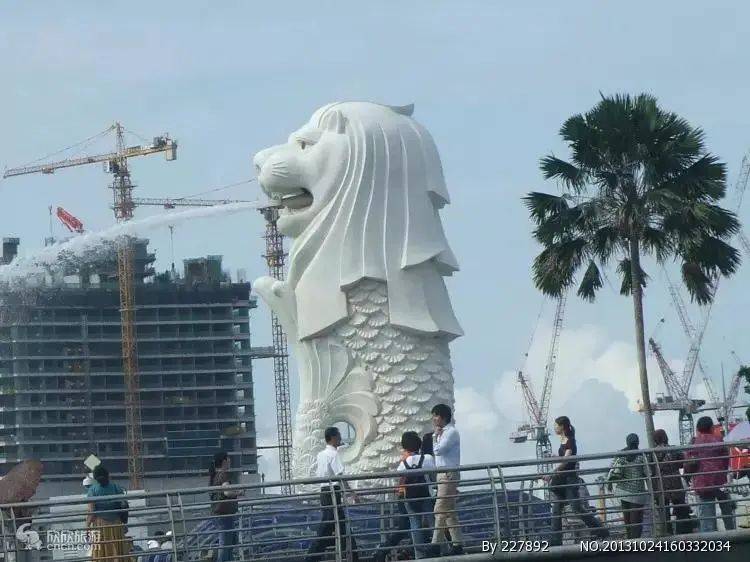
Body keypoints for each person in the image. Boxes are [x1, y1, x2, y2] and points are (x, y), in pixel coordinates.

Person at [547, 416, 608, 546]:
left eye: (556, 425)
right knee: (557, 510)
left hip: (569, 480)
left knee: (576, 508)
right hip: (562, 480)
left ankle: (601, 531)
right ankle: (555, 541)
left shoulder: (570, 441)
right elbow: (565, 458)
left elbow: (567, 460)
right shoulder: (564, 440)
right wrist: (555, 456)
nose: (554, 428)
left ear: (562, 426)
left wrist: (551, 474)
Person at [305, 427, 359, 562]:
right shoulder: (334, 454)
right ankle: (312, 557)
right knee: (331, 526)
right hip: (333, 493)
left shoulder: (320, 455)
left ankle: (352, 555)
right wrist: (351, 493)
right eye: (339, 435)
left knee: (337, 526)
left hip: (324, 492)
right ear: (333, 437)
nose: (340, 438)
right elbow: (340, 476)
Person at [685, 416, 736, 532]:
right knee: (727, 510)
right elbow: (726, 460)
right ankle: (732, 533)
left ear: (698, 428)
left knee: (707, 517)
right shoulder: (718, 440)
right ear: (711, 427)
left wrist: (689, 476)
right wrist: (722, 473)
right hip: (720, 480)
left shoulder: (694, 442)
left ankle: (709, 538)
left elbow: (688, 464)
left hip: (703, 483)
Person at [396, 432, 440, 559]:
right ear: (419, 444)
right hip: (425, 495)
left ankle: (419, 555)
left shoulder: (403, 464)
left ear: (404, 446)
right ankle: (439, 548)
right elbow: (434, 477)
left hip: (410, 497)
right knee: (433, 522)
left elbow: (399, 478)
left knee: (415, 524)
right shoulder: (427, 459)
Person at [430, 404, 464, 555]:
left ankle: (435, 545)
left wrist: (434, 437)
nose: (434, 418)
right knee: (449, 511)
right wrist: (436, 436)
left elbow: (438, 450)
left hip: (448, 474)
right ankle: (457, 544)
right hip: (442, 474)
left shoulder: (451, 432)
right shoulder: (443, 433)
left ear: (443, 417)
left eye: (436, 415)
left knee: (439, 509)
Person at [606, 434, 648, 539]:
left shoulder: (621, 454)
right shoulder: (641, 455)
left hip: (623, 491)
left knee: (627, 519)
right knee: (636, 520)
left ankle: (629, 541)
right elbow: (648, 473)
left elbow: (611, 469)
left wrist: (609, 483)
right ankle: (636, 542)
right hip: (637, 492)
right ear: (637, 442)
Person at [652, 429, 693, 535]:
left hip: (660, 484)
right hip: (675, 481)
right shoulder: (673, 449)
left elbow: (651, 470)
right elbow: (682, 463)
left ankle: (667, 533)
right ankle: (682, 532)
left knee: (664, 510)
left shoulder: (652, 453)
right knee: (680, 508)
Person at [86, 465, 129, 562]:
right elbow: (124, 506)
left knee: (101, 552)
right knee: (118, 550)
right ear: (108, 475)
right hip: (116, 524)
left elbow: (91, 512)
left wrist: (87, 528)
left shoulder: (92, 490)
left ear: (95, 478)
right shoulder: (116, 487)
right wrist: (124, 523)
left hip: (100, 526)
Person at [209, 451, 243, 562]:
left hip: (220, 514)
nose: (230, 460)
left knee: (229, 543)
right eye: (228, 458)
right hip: (224, 515)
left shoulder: (216, 475)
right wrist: (239, 492)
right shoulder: (223, 475)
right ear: (224, 461)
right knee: (225, 545)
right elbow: (227, 492)